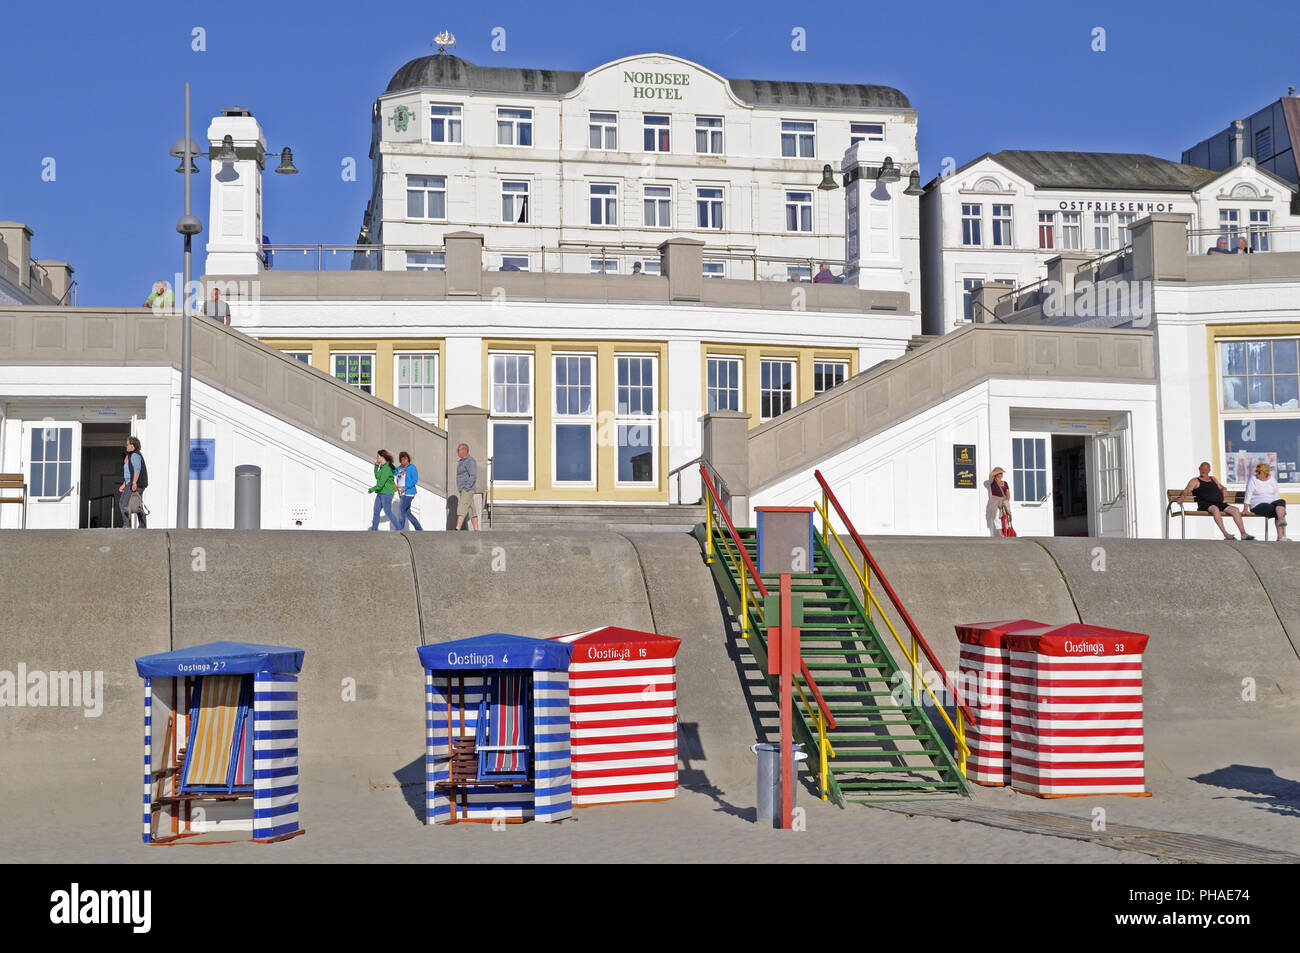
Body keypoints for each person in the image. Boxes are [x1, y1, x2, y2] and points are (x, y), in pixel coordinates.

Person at [1176, 461, 1253, 539]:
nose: (1203, 471)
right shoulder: (1195, 481)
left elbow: (1221, 487)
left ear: (1209, 470)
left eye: (1205, 470)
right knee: (1215, 509)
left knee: (1235, 510)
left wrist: (1224, 489)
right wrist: (1182, 497)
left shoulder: (1213, 479)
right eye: (1202, 469)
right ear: (1199, 469)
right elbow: (1186, 490)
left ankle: (1243, 534)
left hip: (1219, 503)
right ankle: (1226, 534)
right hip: (1205, 504)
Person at [1244, 460, 1288, 541]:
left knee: (1282, 501)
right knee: (1276, 510)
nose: (1257, 474)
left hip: (1271, 502)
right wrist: (1245, 509)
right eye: (1256, 471)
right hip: (1257, 504)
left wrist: (1281, 508)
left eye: (1259, 472)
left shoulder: (1272, 480)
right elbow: (1248, 494)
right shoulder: (1253, 479)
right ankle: (1280, 536)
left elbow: (1276, 495)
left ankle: (1280, 519)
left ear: (1265, 473)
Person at [117, 436, 148, 529]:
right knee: (137, 504)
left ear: (133, 446)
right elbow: (129, 472)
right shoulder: (131, 455)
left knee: (123, 503)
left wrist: (134, 483)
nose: (126, 446)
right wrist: (124, 484)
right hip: (131, 483)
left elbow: (136, 470)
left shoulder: (135, 455)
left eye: (127, 444)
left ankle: (127, 525)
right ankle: (142, 525)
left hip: (135, 483)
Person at [367, 449, 398, 530]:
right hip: (381, 493)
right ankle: (374, 530)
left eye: (378, 456)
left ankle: (399, 528)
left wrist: (372, 489)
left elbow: (381, 484)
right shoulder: (383, 467)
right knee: (376, 511)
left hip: (387, 493)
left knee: (388, 512)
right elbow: (377, 476)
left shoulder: (387, 468)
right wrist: (376, 466)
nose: (376, 458)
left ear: (382, 457)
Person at [393, 451, 423, 531]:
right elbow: (393, 473)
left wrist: (405, 487)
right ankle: (419, 529)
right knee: (408, 513)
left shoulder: (412, 467)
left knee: (402, 509)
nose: (404, 461)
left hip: (408, 492)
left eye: (405, 459)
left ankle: (399, 529)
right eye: (402, 459)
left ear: (408, 459)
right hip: (401, 493)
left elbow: (415, 479)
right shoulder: (399, 468)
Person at [455, 442, 479, 531]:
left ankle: (457, 528)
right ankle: (476, 529)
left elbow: (473, 475)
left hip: (467, 489)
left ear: (464, 450)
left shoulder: (470, 461)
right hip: (463, 489)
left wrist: (466, 487)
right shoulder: (461, 461)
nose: (457, 452)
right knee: (471, 509)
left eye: (458, 450)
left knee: (462, 506)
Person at [986, 467, 1013, 537]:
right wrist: (996, 471)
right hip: (995, 502)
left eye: (1002, 473)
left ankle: (1006, 534)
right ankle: (1001, 536)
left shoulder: (1005, 483)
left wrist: (1006, 502)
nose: (1001, 474)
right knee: (997, 518)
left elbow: (1008, 494)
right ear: (996, 474)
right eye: (1000, 473)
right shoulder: (992, 481)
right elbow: (991, 474)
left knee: (1006, 518)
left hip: (1003, 502)